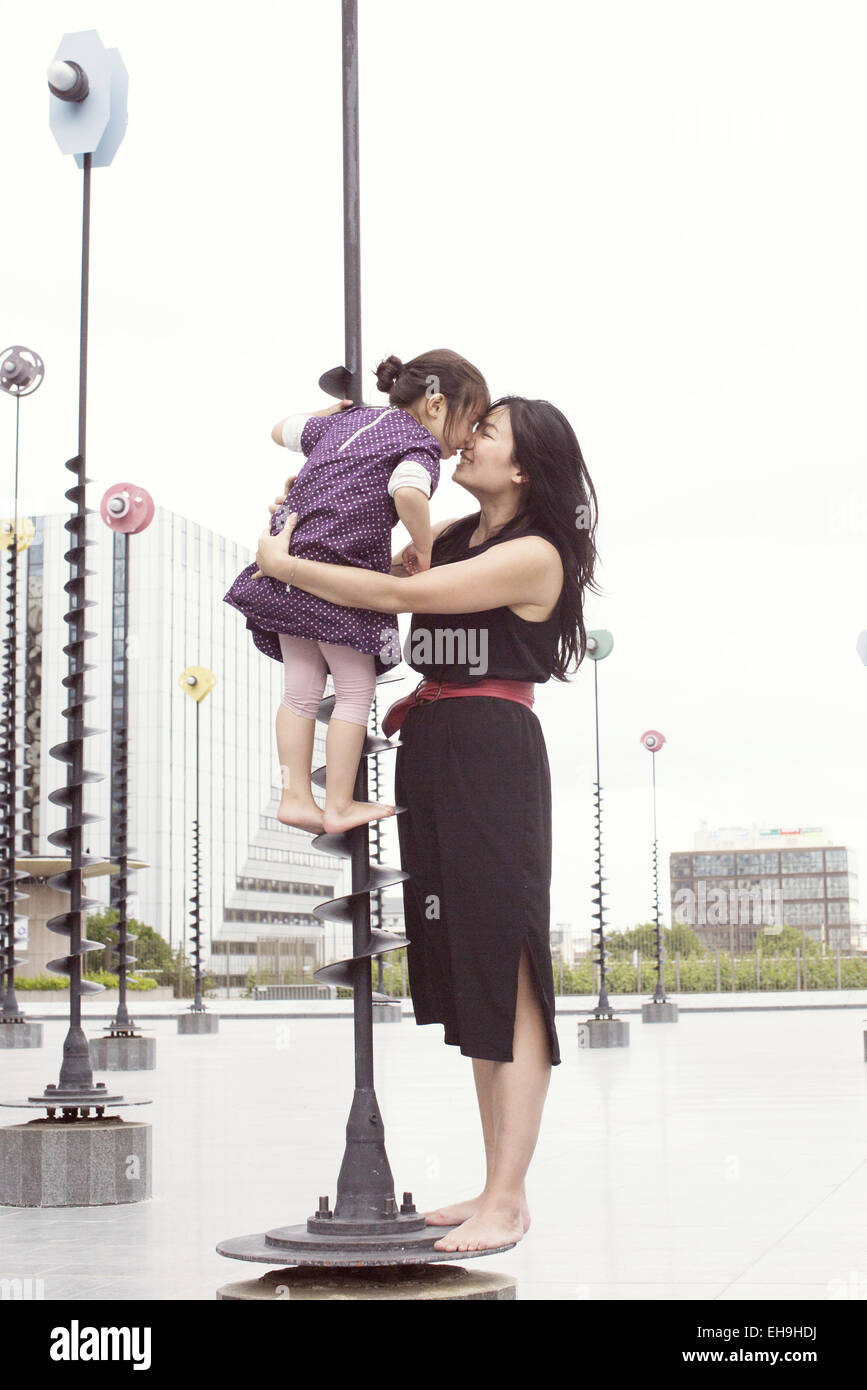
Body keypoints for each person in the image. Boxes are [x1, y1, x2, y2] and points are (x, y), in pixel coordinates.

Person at [254, 394, 600, 1253]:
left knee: (507, 963)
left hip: (491, 749)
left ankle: (509, 1198)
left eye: (486, 433)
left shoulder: (533, 554)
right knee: (468, 970)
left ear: (521, 466)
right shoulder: (450, 533)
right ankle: (491, 1186)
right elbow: (370, 552)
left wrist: (283, 567)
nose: (464, 439)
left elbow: (379, 590)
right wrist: (315, 491)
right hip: (432, 740)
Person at [223, 349, 489, 835]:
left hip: (288, 567)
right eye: (469, 421)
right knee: (352, 692)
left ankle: (294, 797)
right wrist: (424, 552)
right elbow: (408, 492)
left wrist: (331, 414)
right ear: (435, 405)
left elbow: (281, 429)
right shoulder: (418, 446)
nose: (468, 438)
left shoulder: (352, 422)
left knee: (300, 694)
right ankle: (340, 803)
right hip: (336, 580)